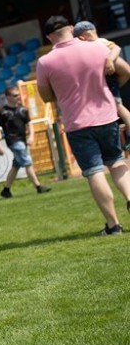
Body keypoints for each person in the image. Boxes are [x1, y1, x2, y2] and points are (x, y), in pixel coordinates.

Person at [37, 16, 130, 235]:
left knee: (94, 171)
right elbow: (126, 70)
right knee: (117, 162)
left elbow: (46, 97)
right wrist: (109, 90)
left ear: (49, 37)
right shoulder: (97, 48)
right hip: (107, 116)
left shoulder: (45, 62)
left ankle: (113, 225)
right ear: (71, 28)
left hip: (77, 123)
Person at [72, 20, 130, 150]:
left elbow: (116, 48)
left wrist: (110, 60)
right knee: (115, 108)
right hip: (105, 81)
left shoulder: (99, 43)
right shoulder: (97, 43)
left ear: (83, 37)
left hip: (109, 80)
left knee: (118, 106)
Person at [0, 86, 51, 198]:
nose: (18, 97)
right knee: (27, 162)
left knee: (16, 165)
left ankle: (6, 190)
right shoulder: (3, 112)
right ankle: (38, 187)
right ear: (8, 97)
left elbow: (29, 124)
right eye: (15, 95)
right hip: (13, 141)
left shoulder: (22, 110)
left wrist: (31, 136)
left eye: (18, 95)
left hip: (23, 141)